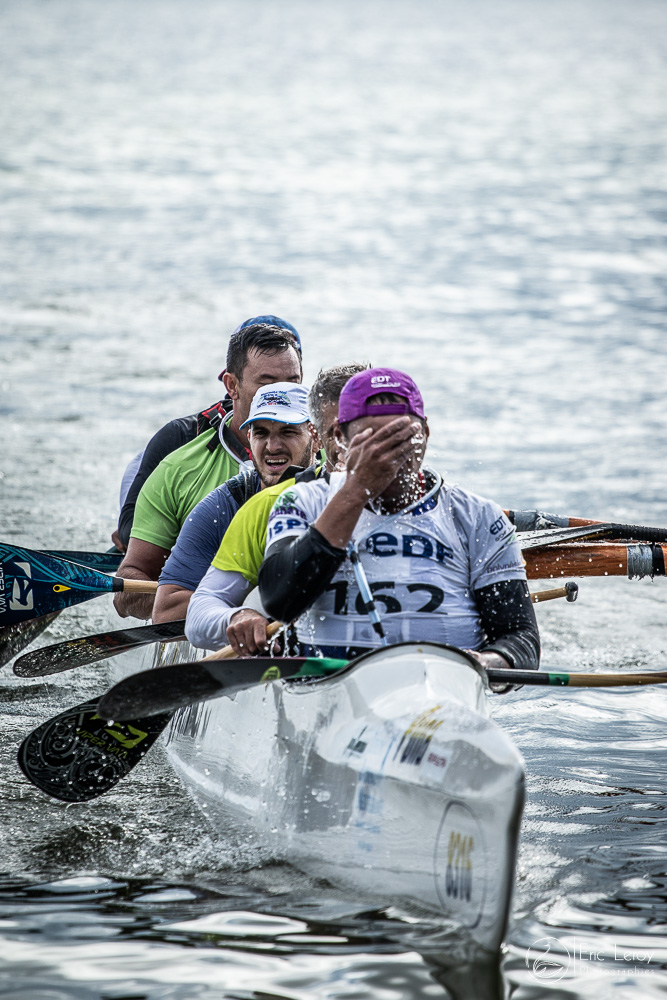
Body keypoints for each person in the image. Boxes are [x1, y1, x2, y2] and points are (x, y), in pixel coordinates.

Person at [248, 368, 539, 670]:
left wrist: (489, 660)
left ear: (425, 433)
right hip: (324, 689)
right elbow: (278, 601)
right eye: (373, 441)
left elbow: (521, 638)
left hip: (443, 689)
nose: (389, 457)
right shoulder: (303, 501)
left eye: (402, 439)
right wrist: (356, 491)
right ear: (338, 436)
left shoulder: (478, 517)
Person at [113, 324, 302, 619]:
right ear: (232, 385)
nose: (281, 396)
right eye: (267, 384)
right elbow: (129, 591)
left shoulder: (334, 460)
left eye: (292, 383)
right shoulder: (179, 470)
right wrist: (216, 604)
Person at [184, 363, 370, 653]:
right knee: (256, 601)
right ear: (319, 435)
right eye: (339, 430)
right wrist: (237, 617)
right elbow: (198, 615)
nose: (353, 441)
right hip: (304, 674)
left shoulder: (441, 507)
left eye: (368, 429)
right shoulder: (267, 506)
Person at [152, 382, 315, 623]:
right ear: (249, 438)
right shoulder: (221, 507)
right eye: (261, 433)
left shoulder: (337, 491)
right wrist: (245, 608)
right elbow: (165, 613)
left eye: (287, 432)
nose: (272, 446)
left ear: (317, 437)